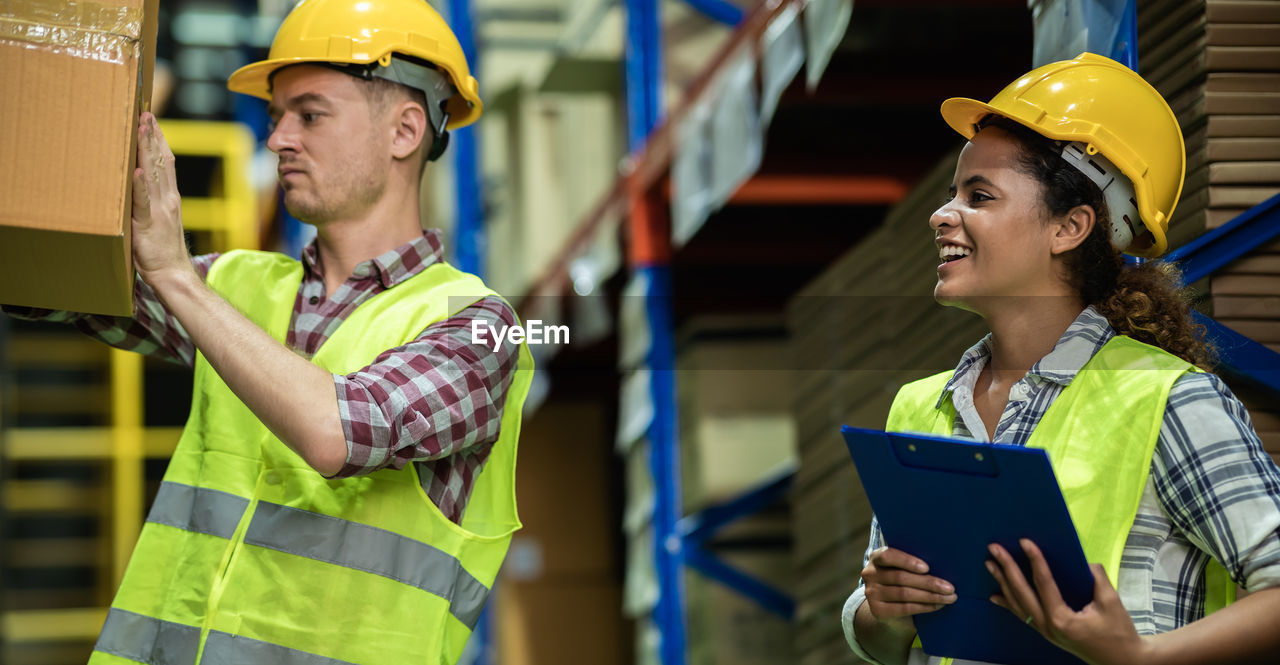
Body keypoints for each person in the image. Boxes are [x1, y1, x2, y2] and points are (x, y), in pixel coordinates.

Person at [6, 1, 533, 663]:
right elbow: (54, 278)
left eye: (309, 115)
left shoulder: (476, 327)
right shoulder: (235, 287)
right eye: (276, 115)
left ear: (404, 131)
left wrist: (173, 273)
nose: (278, 139)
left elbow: (338, 430)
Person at [841, 53, 1280, 665]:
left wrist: (1141, 657)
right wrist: (880, 614)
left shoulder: (1168, 399)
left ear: (1069, 227)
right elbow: (882, 633)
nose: (942, 216)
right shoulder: (920, 407)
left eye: (980, 196)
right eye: (952, 195)